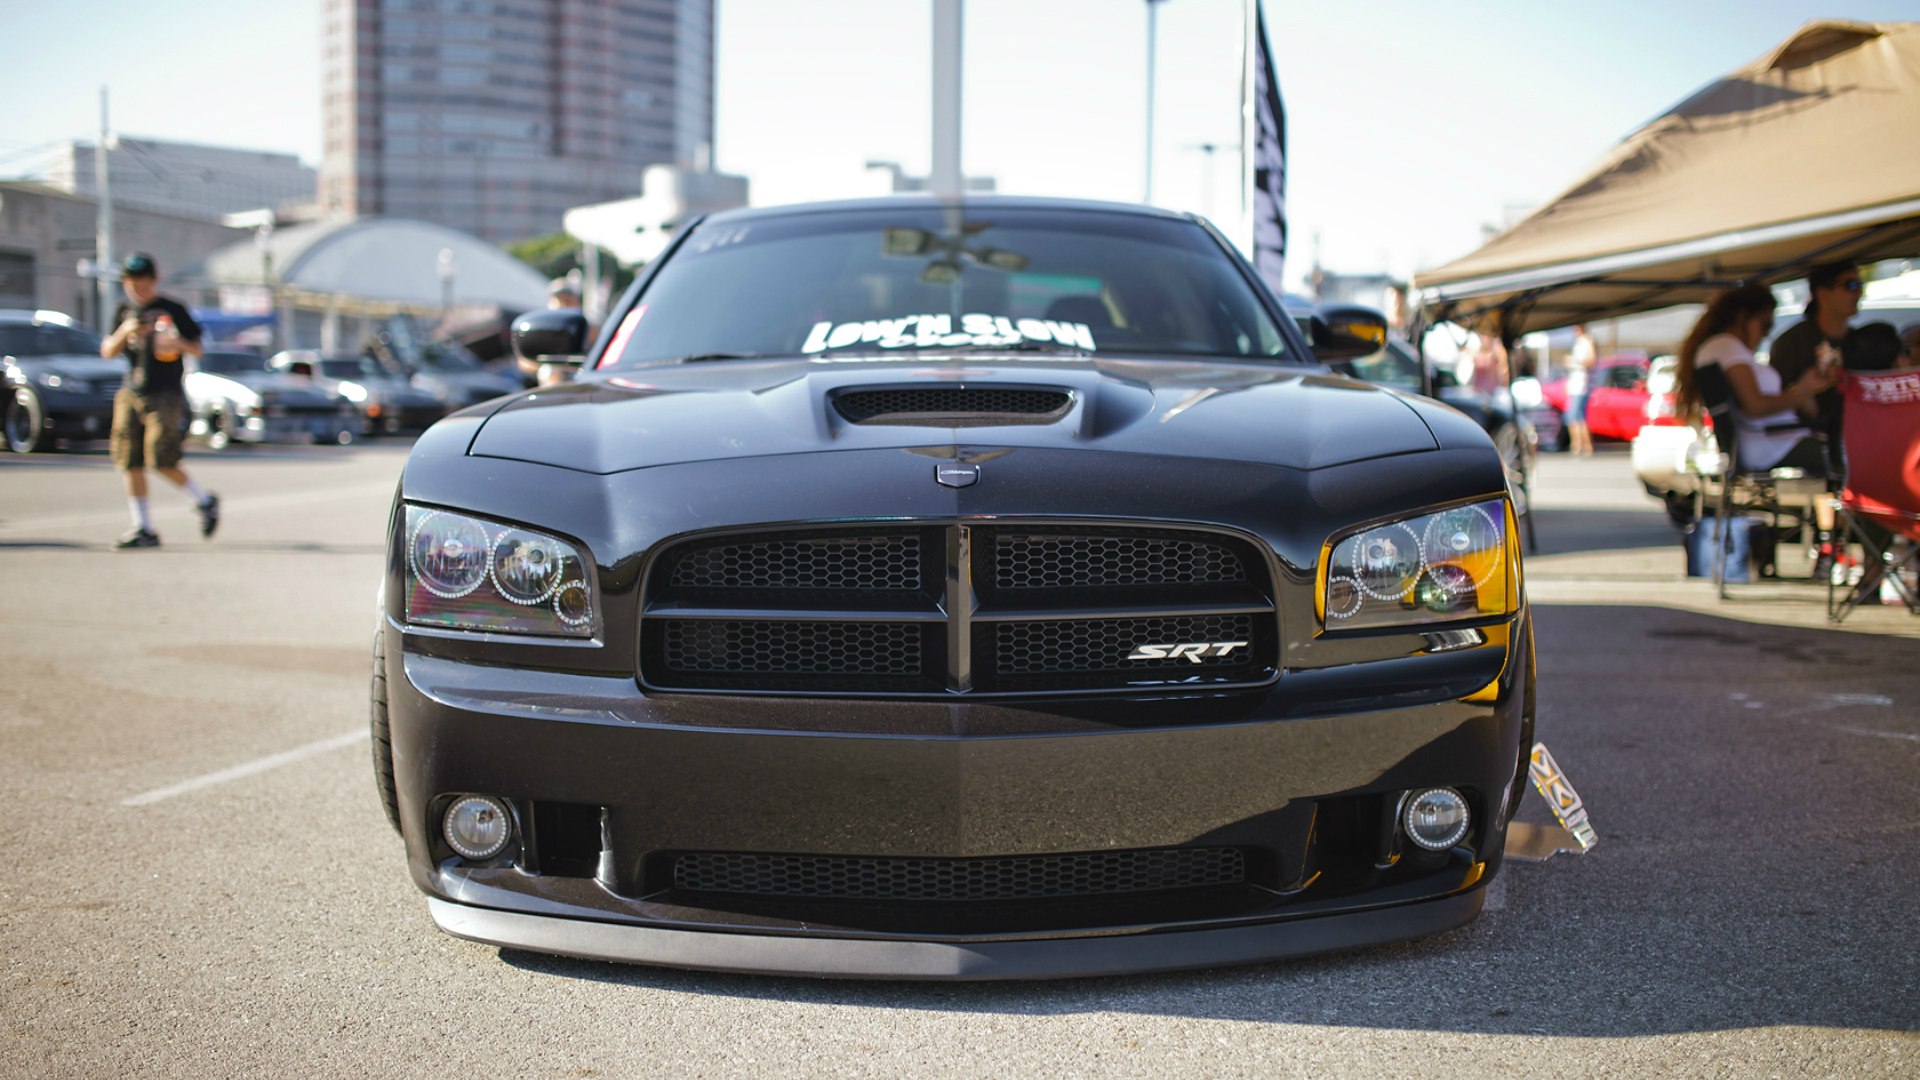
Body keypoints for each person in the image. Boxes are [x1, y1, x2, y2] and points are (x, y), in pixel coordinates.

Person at [100, 253, 218, 549]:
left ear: (154, 280)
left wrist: (177, 342)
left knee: (160, 458)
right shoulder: (124, 310)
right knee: (129, 459)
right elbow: (107, 351)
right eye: (131, 283)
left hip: (165, 392)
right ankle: (144, 528)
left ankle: (203, 500)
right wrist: (124, 331)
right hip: (132, 390)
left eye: (143, 283)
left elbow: (198, 348)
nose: (137, 289)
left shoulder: (172, 309)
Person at [1770, 262, 1863, 437]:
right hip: (1808, 443)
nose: (1858, 292)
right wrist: (1803, 391)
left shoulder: (1860, 341)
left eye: (1860, 285)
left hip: (1861, 436)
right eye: (1851, 285)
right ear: (1823, 293)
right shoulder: (1792, 342)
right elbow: (1774, 400)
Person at [517, 277, 586, 388]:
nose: (562, 305)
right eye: (558, 300)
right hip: (552, 386)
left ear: (577, 301)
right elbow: (525, 362)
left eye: (567, 300)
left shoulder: (588, 326)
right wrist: (546, 364)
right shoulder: (541, 327)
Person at [1565, 323, 1597, 456]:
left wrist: (1576, 361)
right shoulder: (1578, 341)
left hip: (1582, 384)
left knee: (1574, 416)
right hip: (1575, 383)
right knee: (1578, 416)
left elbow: (1591, 360)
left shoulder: (1587, 341)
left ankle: (1579, 446)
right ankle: (1583, 446)